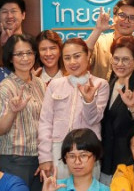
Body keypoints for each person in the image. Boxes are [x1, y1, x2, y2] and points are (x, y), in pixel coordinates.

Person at [0, 34, 47, 191]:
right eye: (19, 54)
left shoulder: (40, 84)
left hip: (38, 158)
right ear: (10, 58)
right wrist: (13, 111)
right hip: (15, 159)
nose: (25, 58)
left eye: (29, 53)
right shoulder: (5, 87)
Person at [38, 38, 109, 180]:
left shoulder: (100, 84)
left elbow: (93, 119)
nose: (72, 62)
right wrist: (45, 157)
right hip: (58, 150)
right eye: (67, 58)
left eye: (77, 56)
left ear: (88, 56)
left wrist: (89, 101)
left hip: (87, 150)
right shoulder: (55, 85)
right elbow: (45, 122)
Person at [100, 35, 134, 180]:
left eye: (125, 59)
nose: (120, 64)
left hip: (128, 160)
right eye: (116, 59)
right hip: (105, 160)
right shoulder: (107, 85)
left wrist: (132, 107)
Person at [89, 0, 134, 82]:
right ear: (114, 17)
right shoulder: (99, 43)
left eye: (132, 18)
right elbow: (82, 59)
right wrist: (98, 30)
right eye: (122, 15)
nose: (126, 21)